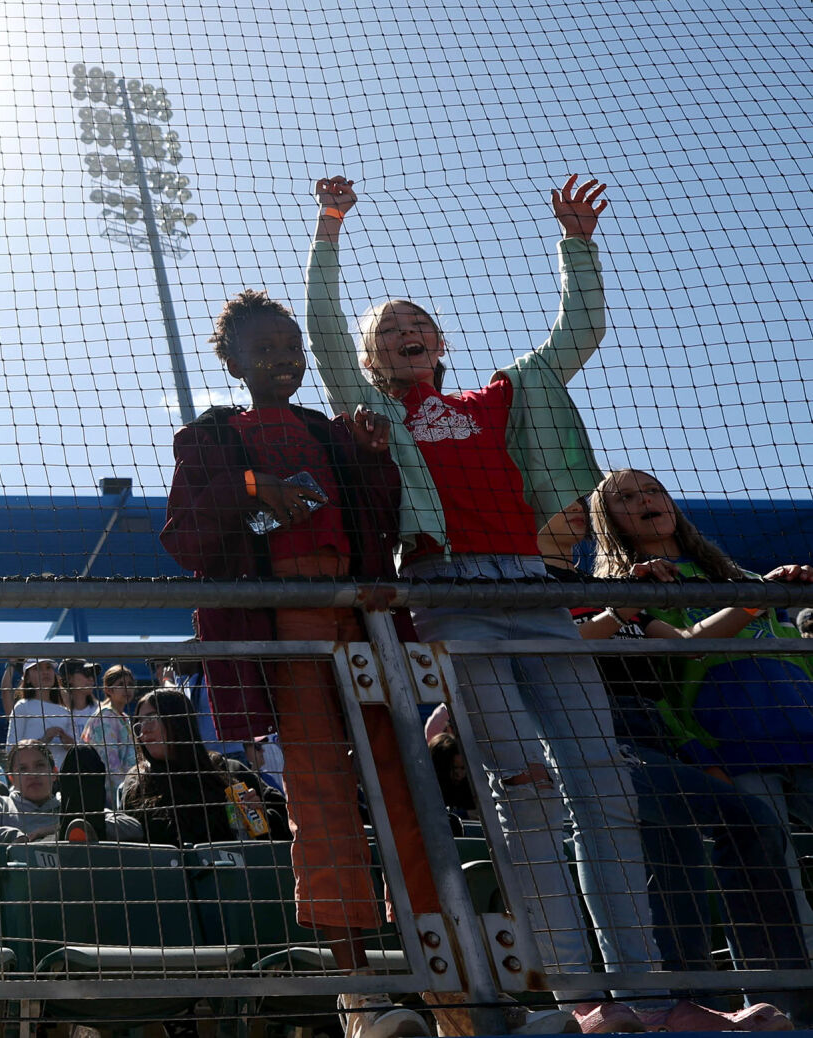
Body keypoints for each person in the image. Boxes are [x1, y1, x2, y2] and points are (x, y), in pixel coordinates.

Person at [306, 174, 694, 1033]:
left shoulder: (502, 396)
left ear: (440, 340)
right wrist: (329, 231)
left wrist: (577, 244)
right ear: (374, 360)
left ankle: (646, 995)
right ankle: (578, 997)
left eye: (417, 324)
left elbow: (579, 333)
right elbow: (324, 337)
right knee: (521, 791)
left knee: (604, 787)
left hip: (537, 590)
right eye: (387, 332)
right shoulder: (375, 410)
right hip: (453, 599)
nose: (404, 334)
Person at [161, 288, 439, 1038]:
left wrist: (375, 456)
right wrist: (255, 486)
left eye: (291, 347)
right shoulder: (210, 438)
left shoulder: (332, 429)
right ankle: (358, 992)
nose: (283, 359)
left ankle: (453, 993)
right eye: (265, 350)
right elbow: (183, 538)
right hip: (286, 627)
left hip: (364, 616)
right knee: (316, 794)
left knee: (405, 784)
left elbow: (381, 518)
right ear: (232, 361)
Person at [588, 469, 813, 983]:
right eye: (625, 497)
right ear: (609, 521)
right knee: (775, 887)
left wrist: (783, 590)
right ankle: (788, 999)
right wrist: (758, 598)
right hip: (734, 751)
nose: (645, 500)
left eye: (652, 490)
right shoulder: (628, 589)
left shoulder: (737, 576)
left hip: (805, 733)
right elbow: (687, 643)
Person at [119, 690, 287, 847]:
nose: (144, 730)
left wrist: (261, 815)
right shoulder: (137, 783)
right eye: (139, 724)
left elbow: (287, 823)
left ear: (179, 722)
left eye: (151, 718)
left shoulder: (227, 770)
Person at [0, 739, 141, 844]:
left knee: (83, 755)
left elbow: (133, 827)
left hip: (77, 880)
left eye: (39, 766)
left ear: (54, 774)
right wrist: (15, 837)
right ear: (11, 778)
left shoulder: (71, 804)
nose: (33, 774)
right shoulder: (0, 805)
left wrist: (60, 828)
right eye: (23, 769)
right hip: (21, 887)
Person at [79, 664, 141, 805]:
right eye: (121, 684)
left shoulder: (123, 716)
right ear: (108, 690)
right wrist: (126, 796)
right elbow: (110, 764)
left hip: (128, 789)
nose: (127, 688)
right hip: (112, 796)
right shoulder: (105, 716)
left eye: (130, 684)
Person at [6, 658, 75, 766]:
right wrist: (42, 741)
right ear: (27, 678)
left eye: (48, 667)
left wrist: (69, 743)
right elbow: (11, 749)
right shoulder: (23, 707)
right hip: (33, 777)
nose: (45, 672)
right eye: (37, 668)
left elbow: (76, 750)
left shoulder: (65, 712)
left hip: (62, 778)